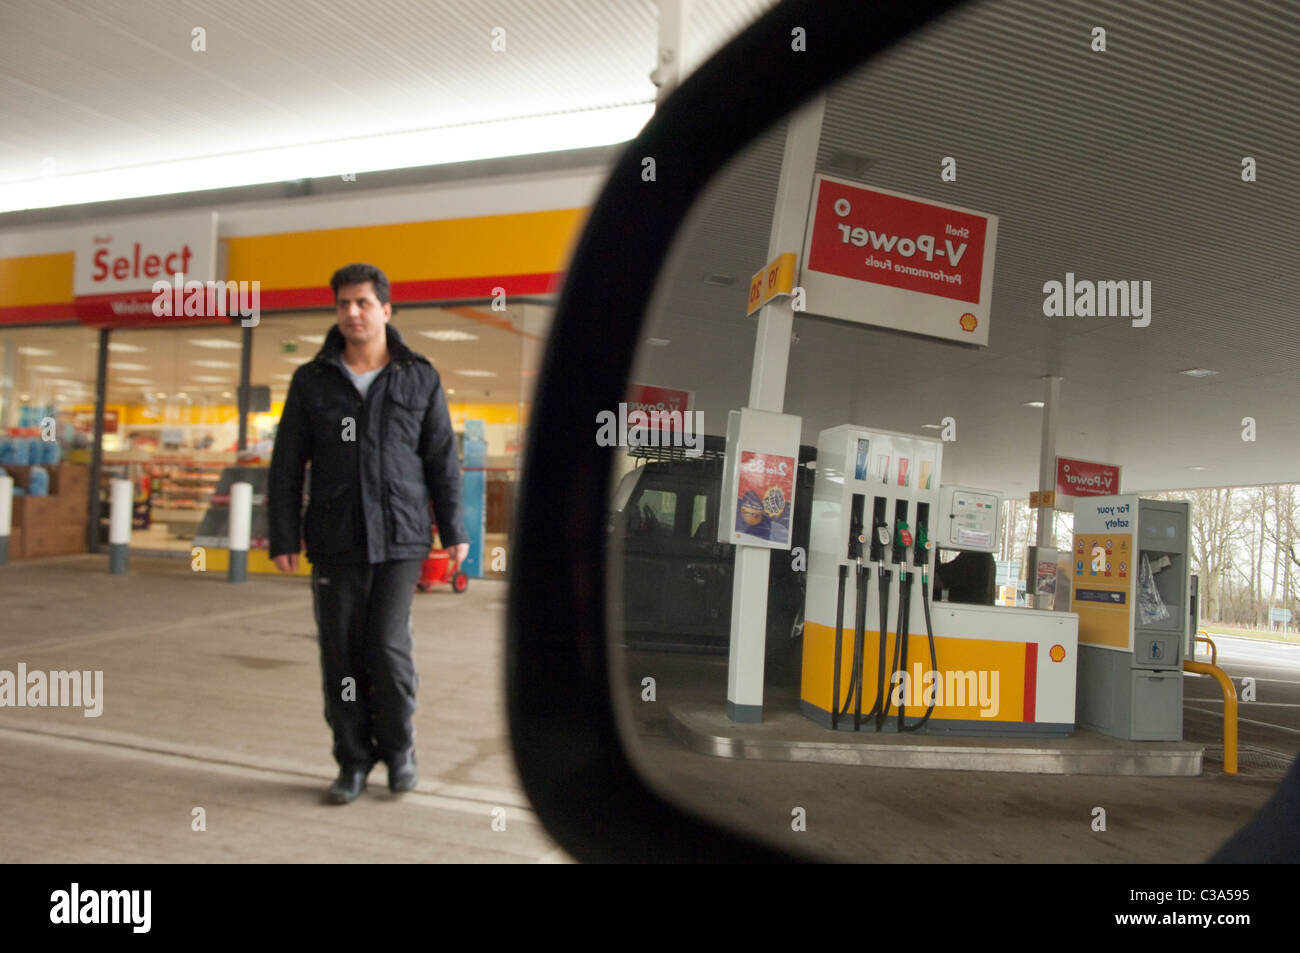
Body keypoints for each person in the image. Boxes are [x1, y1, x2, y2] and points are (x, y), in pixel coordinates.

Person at [268, 263, 469, 804]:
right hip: (336, 538)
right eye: (343, 304)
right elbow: (287, 465)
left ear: (386, 309)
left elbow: (442, 460)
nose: (352, 312)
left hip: (402, 536)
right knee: (340, 652)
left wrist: (454, 529)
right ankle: (353, 760)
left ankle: (399, 749)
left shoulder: (419, 376)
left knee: (385, 644)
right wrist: (283, 534)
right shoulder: (312, 381)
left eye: (362, 302)